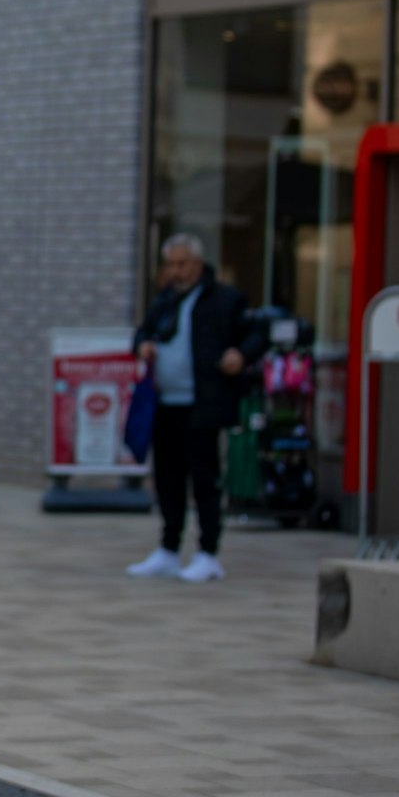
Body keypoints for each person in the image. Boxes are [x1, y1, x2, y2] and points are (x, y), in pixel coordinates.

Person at [128, 233, 265, 584]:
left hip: (203, 404)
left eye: (182, 263)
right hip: (165, 404)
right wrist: (143, 344)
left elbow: (256, 335)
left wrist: (241, 355)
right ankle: (168, 550)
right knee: (168, 480)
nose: (175, 271)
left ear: (198, 264)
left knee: (204, 480)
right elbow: (141, 333)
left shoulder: (225, 299)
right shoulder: (164, 301)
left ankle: (208, 553)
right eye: (170, 264)